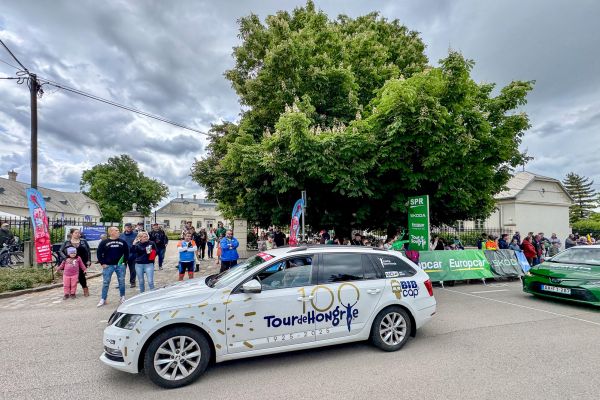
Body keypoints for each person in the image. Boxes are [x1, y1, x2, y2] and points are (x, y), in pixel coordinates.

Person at [96, 226, 129, 307]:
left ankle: (122, 297)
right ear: (111, 232)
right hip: (108, 266)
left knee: (121, 281)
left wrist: (124, 262)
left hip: (120, 265)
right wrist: (102, 263)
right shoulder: (104, 242)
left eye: (118, 230)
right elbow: (99, 253)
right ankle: (103, 299)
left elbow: (127, 252)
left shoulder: (122, 242)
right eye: (116, 230)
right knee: (106, 282)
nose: (118, 232)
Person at [59, 228, 92, 297]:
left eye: (79, 233)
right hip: (71, 262)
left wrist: (89, 260)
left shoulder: (83, 241)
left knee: (81, 276)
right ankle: (70, 292)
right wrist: (65, 259)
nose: (78, 234)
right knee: (69, 277)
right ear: (71, 234)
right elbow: (60, 251)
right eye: (76, 233)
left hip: (82, 261)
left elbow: (88, 251)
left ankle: (85, 289)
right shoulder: (67, 242)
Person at [119, 223, 137, 288]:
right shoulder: (121, 235)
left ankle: (132, 282)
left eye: (130, 227)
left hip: (133, 256)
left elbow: (138, 243)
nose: (129, 228)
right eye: (127, 227)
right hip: (123, 256)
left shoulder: (136, 234)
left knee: (133, 270)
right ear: (124, 227)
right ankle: (121, 283)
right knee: (121, 270)